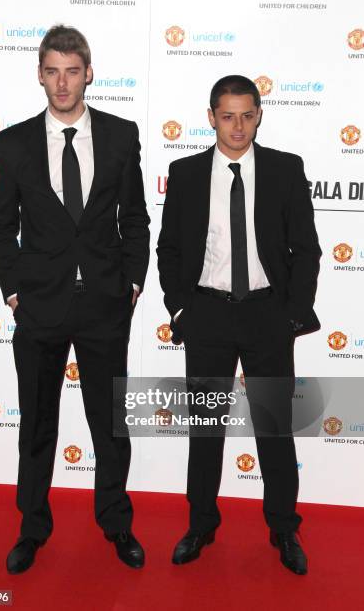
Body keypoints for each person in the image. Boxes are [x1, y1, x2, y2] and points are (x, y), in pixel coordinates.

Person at [0, 25, 150, 573]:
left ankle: (116, 523)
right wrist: (14, 293)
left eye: (71, 71)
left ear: (88, 74)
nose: (62, 82)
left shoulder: (121, 135)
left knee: (111, 426)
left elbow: (137, 220)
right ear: (39, 74)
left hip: (104, 305)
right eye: (52, 71)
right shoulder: (14, 143)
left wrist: (130, 285)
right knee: (36, 426)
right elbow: (0, 224)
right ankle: (32, 529)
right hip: (40, 309)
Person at [157, 75, 321, 575]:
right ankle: (201, 524)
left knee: (274, 429)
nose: (238, 126)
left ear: (259, 115)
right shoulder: (184, 173)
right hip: (206, 314)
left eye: (247, 115)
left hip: (268, 313)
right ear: (211, 117)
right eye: (227, 116)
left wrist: (292, 314)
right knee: (206, 429)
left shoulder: (284, 169)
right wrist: (180, 308)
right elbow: (169, 249)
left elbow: (307, 250)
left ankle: (283, 528)